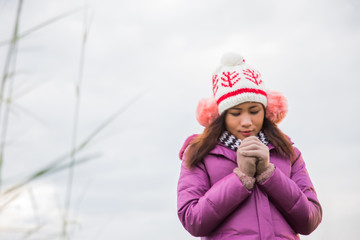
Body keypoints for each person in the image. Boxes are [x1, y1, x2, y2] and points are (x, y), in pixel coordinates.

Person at [177, 52, 322, 240]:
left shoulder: (288, 152)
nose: (246, 122)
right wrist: (241, 178)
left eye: (254, 111)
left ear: (266, 111)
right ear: (221, 116)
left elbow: (310, 220)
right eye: (236, 113)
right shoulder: (199, 154)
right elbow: (193, 220)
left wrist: (269, 173)